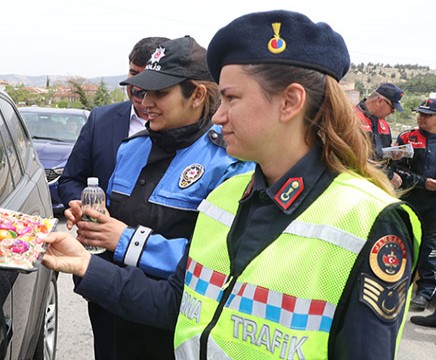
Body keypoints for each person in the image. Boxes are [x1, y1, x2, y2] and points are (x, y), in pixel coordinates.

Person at [41, 10, 421, 360]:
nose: (218, 116)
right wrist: (85, 264)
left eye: (231, 98)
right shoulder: (226, 199)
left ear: (290, 102)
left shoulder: (369, 219)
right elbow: (176, 302)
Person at [65, 36, 253, 359]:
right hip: (115, 311)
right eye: (143, 90)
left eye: (160, 93)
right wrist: (91, 222)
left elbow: (214, 262)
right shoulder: (131, 149)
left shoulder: (229, 161)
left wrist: (123, 239)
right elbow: (112, 220)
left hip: (175, 328)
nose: (145, 101)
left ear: (196, 95)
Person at [56, 36, 168, 360]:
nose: (138, 90)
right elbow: (70, 179)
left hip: (158, 280)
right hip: (102, 268)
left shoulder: (189, 139)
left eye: (149, 83)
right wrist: (82, 204)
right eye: (133, 77)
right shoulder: (101, 120)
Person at [391, 98, 436, 315]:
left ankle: (425, 293)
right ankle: (395, 287)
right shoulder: (407, 137)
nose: (421, 117)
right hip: (411, 199)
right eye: (420, 113)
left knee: (430, 247)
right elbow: (395, 170)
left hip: (434, 206)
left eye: (427, 114)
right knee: (403, 242)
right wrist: (422, 182)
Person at [355, 82, 405, 186]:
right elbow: (355, 159)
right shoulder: (352, 118)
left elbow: (379, 156)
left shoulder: (384, 125)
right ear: (379, 101)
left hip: (376, 184)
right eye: (392, 108)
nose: (392, 113)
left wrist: (392, 156)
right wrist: (388, 175)